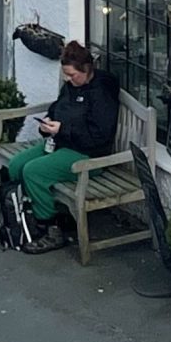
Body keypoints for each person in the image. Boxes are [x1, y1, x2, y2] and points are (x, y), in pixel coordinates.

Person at [11, 41, 119, 245]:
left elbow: (99, 135)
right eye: (66, 75)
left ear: (86, 69)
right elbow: (57, 109)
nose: (68, 80)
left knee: (33, 171)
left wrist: (63, 130)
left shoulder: (102, 93)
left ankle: (49, 228)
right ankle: (30, 215)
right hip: (60, 142)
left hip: (88, 154)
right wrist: (47, 124)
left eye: (72, 75)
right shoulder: (71, 87)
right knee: (17, 165)